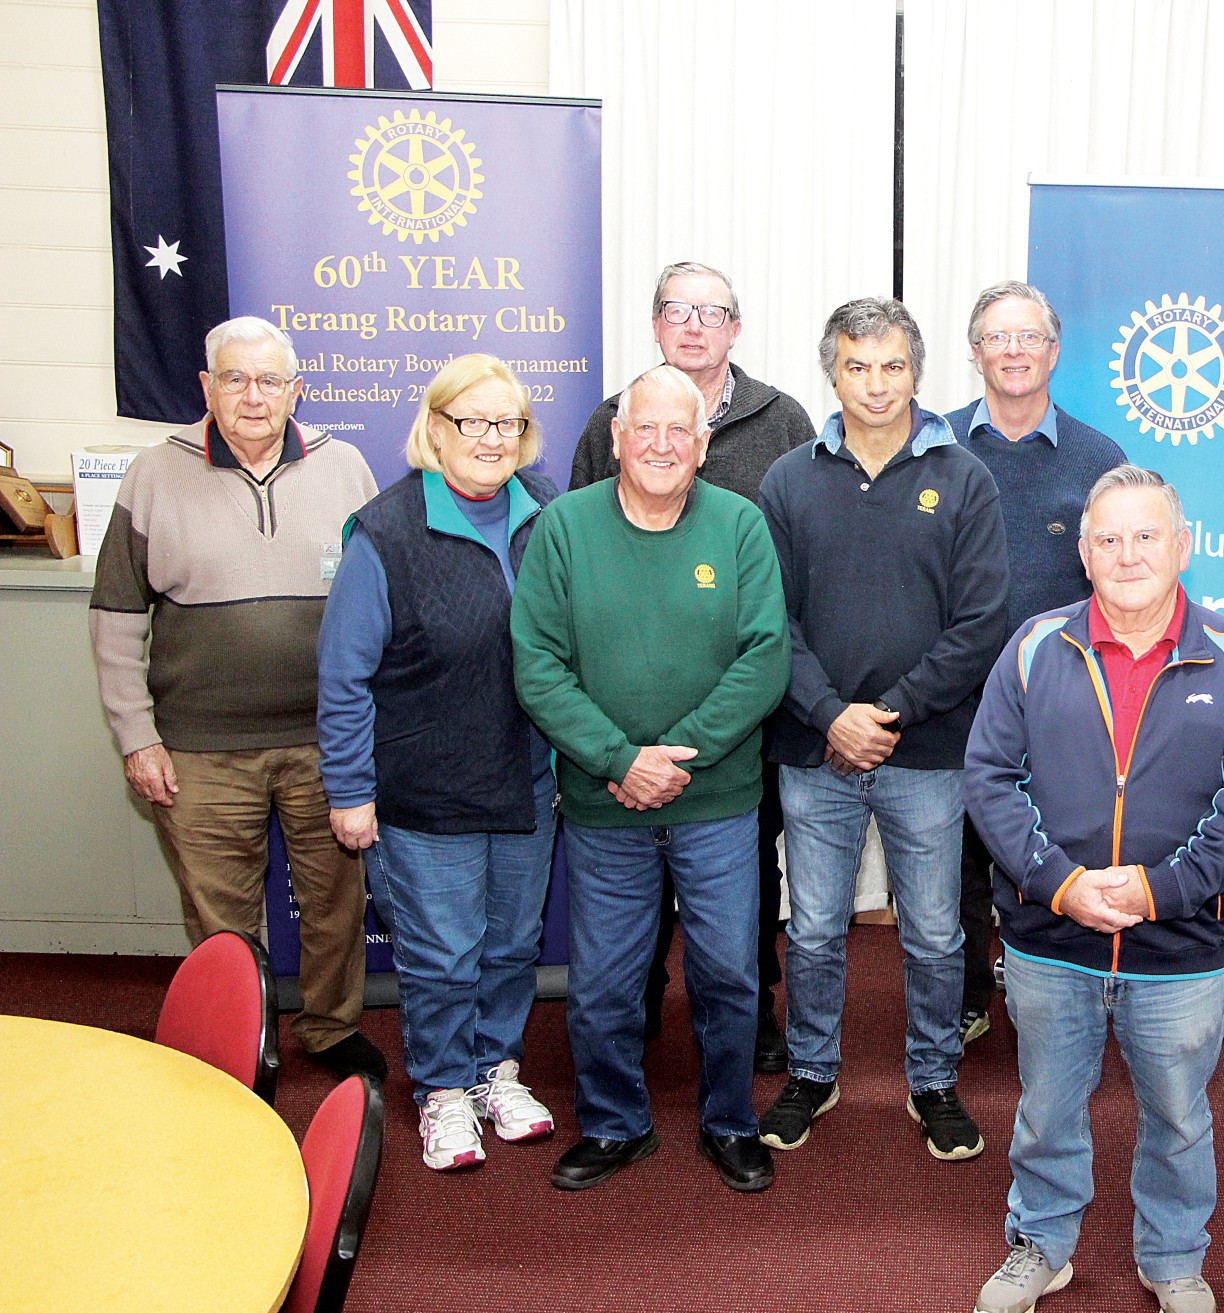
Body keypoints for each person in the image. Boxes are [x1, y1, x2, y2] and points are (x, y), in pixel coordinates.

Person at [963, 465, 1224, 1313]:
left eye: (1148, 535)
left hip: (1178, 946)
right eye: (1109, 538)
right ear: (1084, 553)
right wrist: (1061, 883)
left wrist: (1155, 889)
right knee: (1046, 1105)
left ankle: (1175, 1256)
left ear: (1183, 546)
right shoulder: (1034, 646)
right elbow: (990, 778)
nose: (1129, 553)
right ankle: (1041, 1240)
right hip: (1049, 936)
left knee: (1180, 1113)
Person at [513, 365, 791, 1193]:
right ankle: (613, 1122)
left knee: (730, 972)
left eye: (683, 430)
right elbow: (537, 665)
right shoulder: (563, 528)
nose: (663, 445)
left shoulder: (741, 525)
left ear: (704, 444)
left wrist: (674, 755)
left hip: (717, 803)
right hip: (605, 806)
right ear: (616, 438)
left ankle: (731, 1120)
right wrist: (617, 760)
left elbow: (765, 656)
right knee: (601, 982)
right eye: (647, 428)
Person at [89, 315, 385, 1084]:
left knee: (334, 903)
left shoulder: (346, 466)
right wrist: (136, 736)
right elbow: (116, 617)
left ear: (297, 389)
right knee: (221, 916)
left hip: (329, 743)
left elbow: (383, 602)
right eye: (234, 378)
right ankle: (237, 1036)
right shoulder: (154, 474)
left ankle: (328, 1027)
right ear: (206, 387)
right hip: (198, 747)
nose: (253, 396)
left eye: (269, 380)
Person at [756, 297, 1009, 1163]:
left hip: (929, 754)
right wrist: (832, 715)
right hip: (813, 748)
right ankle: (813, 1071)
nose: (875, 383)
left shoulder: (965, 476)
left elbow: (981, 623)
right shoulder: (789, 479)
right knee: (818, 927)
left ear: (917, 371)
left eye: (892, 365)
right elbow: (768, 620)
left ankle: (934, 1080)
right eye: (857, 366)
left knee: (937, 932)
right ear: (832, 373)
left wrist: (888, 714)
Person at [317, 354, 561, 1173]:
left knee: (509, 946)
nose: (492, 439)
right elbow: (343, 675)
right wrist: (349, 791)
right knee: (442, 954)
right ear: (435, 426)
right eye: (473, 421)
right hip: (425, 790)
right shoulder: (383, 534)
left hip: (526, 780)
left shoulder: (550, 513)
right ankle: (444, 1091)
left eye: (508, 423)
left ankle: (497, 1071)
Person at [572, 262, 814, 1072]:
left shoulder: (783, 420)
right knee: (619, 939)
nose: (695, 324)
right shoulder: (613, 417)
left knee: (743, 899)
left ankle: (753, 1027)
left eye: (712, 311)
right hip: (611, 748)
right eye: (677, 309)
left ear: (736, 328)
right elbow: (571, 581)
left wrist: (691, 745)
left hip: (741, 725)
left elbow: (792, 589)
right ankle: (634, 1016)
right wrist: (620, 753)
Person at [944, 280, 1127, 1046]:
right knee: (954, 870)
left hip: (1062, 703)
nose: (1013, 351)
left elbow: (1122, 577)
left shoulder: (1099, 456)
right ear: (975, 352)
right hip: (950, 697)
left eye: (1028, 338)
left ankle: (1053, 1002)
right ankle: (958, 1001)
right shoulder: (935, 442)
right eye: (997, 337)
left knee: (1048, 852)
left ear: (1053, 352)